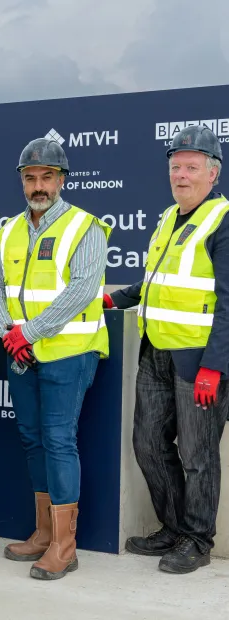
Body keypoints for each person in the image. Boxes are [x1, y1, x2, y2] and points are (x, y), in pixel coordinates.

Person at [0, 137, 110, 581]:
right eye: (30, 177)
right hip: (21, 353)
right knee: (33, 440)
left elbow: (81, 291)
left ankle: (64, 546)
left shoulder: (85, 226)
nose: (38, 186)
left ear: (62, 180)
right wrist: (9, 334)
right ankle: (43, 533)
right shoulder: (9, 230)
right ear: (22, 181)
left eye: (47, 177)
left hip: (68, 353)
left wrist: (29, 333)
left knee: (58, 441)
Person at [105, 125, 228, 574]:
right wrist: (115, 299)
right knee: (147, 444)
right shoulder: (168, 218)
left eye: (191, 168)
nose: (181, 175)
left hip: (197, 361)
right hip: (156, 352)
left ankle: (197, 540)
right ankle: (174, 528)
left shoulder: (222, 220)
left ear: (213, 174)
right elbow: (156, 282)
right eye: (176, 167)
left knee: (198, 455)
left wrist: (214, 366)